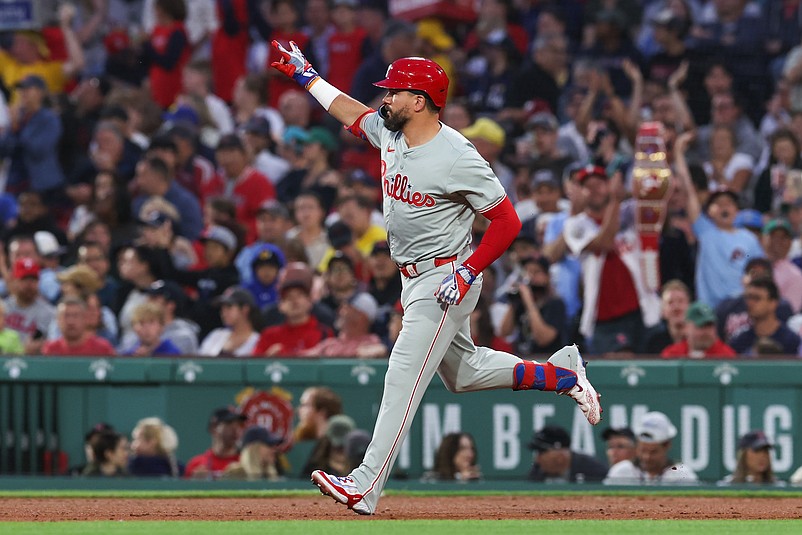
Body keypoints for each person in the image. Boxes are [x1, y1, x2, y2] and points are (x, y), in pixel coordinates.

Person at [270, 42, 601, 515]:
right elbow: (352, 114)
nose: (384, 99)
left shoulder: (456, 155)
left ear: (419, 100)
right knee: (463, 374)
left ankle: (365, 484)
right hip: (415, 277)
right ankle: (562, 374)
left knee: (402, 374)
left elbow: (507, 222)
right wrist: (307, 78)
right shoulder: (392, 133)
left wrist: (468, 272)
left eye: (394, 92)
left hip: (446, 276)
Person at [604, 411, 698, 485]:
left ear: (667, 445)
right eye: (642, 450)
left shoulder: (682, 475)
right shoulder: (620, 471)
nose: (646, 457)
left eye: (653, 452)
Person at [729, 278, 801, 356]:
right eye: (748, 297)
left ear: (773, 303)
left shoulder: (791, 341)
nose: (750, 303)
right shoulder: (740, 342)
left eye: (757, 298)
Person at [527, 425, 608, 483]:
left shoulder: (594, 470)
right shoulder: (537, 471)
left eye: (541, 452)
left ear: (560, 455)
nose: (537, 459)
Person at [184, 407, 246, 479]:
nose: (236, 429)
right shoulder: (196, 465)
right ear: (214, 428)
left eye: (239, 424)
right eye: (229, 423)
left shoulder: (244, 464)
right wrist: (196, 484)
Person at [41, 297, 115, 357]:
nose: (71, 321)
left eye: (76, 316)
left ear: (85, 318)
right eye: (66, 316)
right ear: (58, 320)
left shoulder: (102, 349)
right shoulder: (50, 350)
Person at [199, 286, 261, 357]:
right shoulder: (216, 335)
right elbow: (202, 363)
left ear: (245, 309)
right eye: (222, 308)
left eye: (229, 307)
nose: (223, 313)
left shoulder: (258, 341)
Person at [661, 301, 737, 359]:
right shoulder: (672, 354)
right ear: (687, 327)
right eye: (700, 326)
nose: (705, 332)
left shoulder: (726, 356)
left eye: (709, 326)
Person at [719, 430, 783, 486]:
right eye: (757, 451)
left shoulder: (778, 486)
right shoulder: (726, 486)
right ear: (743, 454)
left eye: (765, 451)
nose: (762, 456)